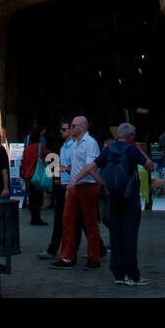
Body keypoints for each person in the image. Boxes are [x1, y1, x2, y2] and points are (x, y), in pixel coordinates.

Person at [73, 122, 153, 286]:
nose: (135, 137)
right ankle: (133, 274)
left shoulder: (109, 149)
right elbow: (150, 167)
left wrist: (103, 183)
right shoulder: (131, 150)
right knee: (130, 237)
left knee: (115, 236)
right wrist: (140, 151)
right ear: (129, 136)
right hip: (130, 200)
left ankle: (118, 274)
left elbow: (91, 167)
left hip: (113, 199)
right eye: (134, 135)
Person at [53, 115, 102, 269]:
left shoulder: (91, 143)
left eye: (73, 126)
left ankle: (94, 257)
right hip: (74, 188)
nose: (71, 129)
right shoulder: (74, 144)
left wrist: (74, 180)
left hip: (87, 186)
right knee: (68, 221)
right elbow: (74, 165)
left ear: (81, 127)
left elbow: (89, 167)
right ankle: (67, 256)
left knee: (90, 223)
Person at [38, 119, 85, 260]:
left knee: (77, 221)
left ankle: (73, 250)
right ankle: (53, 249)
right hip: (63, 186)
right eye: (61, 129)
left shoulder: (75, 147)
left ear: (71, 130)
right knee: (61, 219)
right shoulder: (63, 147)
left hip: (73, 186)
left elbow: (77, 166)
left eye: (64, 129)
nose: (62, 132)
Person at [19, 125, 49, 225]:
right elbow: (49, 156)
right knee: (38, 197)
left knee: (31, 197)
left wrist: (23, 174)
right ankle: (37, 218)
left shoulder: (26, 149)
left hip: (28, 176)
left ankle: (33, 218)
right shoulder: (41, 147)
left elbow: (23, 162)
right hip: (37, 175)